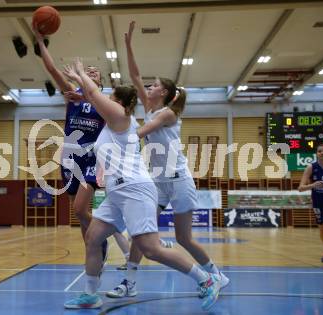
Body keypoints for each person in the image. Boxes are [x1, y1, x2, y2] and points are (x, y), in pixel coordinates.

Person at [62, 58, 221, 310]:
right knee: (93, 238)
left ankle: (205, 280)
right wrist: (81, 86)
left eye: (110, 97)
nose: (105, 100)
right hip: (117, 191)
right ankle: (91, 295)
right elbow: (91, 98)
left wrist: (81, 73)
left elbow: (93, 94)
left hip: (135, 189)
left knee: (151, 249)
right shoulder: (114, 117)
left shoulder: (119, 116)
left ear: (118, 102)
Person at [106, 21, 229, 300]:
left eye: (155, 85)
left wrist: (117, 140)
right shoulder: (150, 107)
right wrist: (128, 45)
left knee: (184, 238)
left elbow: (140, 132)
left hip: (179, 181)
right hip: (158, 183)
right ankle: (130, 282)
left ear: (164, 92)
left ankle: (216, 275)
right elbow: (135, 74)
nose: (149, 86)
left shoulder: (168, 114)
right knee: (141, 232)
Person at [33, 25, 109, 260]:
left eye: (96, 72)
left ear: (101, 82)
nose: (92, 71)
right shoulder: (70, 93)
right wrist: (39, 41)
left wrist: (86, 95)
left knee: (79, 208)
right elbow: (52, 69)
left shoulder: (105, 99)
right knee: (79, 213)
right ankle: (92, 250)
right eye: (89, 70)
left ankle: (100, 240)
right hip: (69, 158)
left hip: (91, 159)